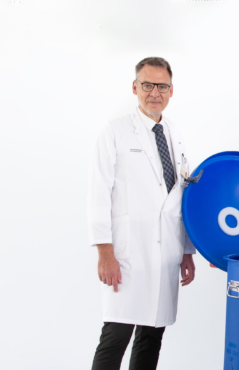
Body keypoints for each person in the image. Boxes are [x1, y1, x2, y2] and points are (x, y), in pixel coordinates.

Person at [87, 57, 197, 370]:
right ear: (135, 87)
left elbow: (180, 199)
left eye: (161, 86)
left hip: (166, 255)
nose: (154, 92)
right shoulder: (115, 132)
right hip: (127, 254)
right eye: (147, 85)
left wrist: (187, 252)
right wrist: (105, 252)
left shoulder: (173, 133)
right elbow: (98, 195)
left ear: (171, 91)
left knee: (152, 337)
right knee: (115, 336)